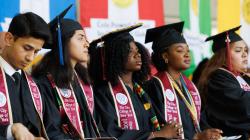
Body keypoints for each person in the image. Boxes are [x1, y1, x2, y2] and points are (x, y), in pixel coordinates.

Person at [90, 24, 182, 140]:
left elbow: (156, 124)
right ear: (116, 56)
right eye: (129, 51)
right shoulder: (103, 92)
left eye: (137, 50)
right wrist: (156, 135)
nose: (137, 55)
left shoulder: (141, 92)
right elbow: (110, 132)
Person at [144, 21, 223, 140]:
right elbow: (160, 127)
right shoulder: (155, 86)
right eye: (180, 50)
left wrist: (209, 133)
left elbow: (198, 118)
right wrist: (195, 137)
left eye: (187, 50)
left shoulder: (189, 86)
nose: (187, 54)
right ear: (165, 56)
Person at [32, 5, 101, 139]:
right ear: (63, 42)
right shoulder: (44, 83)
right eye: (80, 38)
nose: (87, 44)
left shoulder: (81, 81)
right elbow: (50, 130)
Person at [0, 12, 65, 140]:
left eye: (36, 52)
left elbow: (51, 129)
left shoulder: (35, 86)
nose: (30, 58)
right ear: (9, 39)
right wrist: (10, 130)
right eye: (27, 48)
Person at [198, 26, 250, 140]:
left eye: (246, 50)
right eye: (238, 50)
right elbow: (244, 105)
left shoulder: (241, 77)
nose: (245, 54)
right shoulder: (217, 77)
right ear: (223, 55)